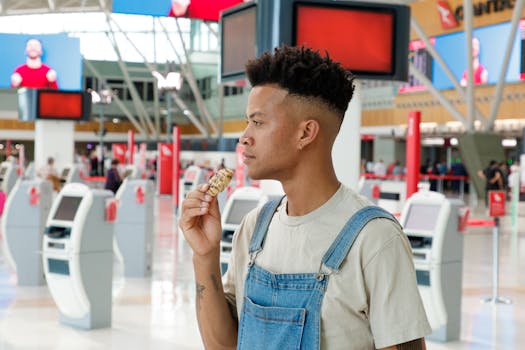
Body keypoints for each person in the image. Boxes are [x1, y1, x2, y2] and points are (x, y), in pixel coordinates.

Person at [179, 45, 430, 349]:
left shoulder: (375, 239)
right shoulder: (255, 228)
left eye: (257, 122)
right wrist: (204, 256)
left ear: (306, 133)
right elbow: (224, 346)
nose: (245, 136)